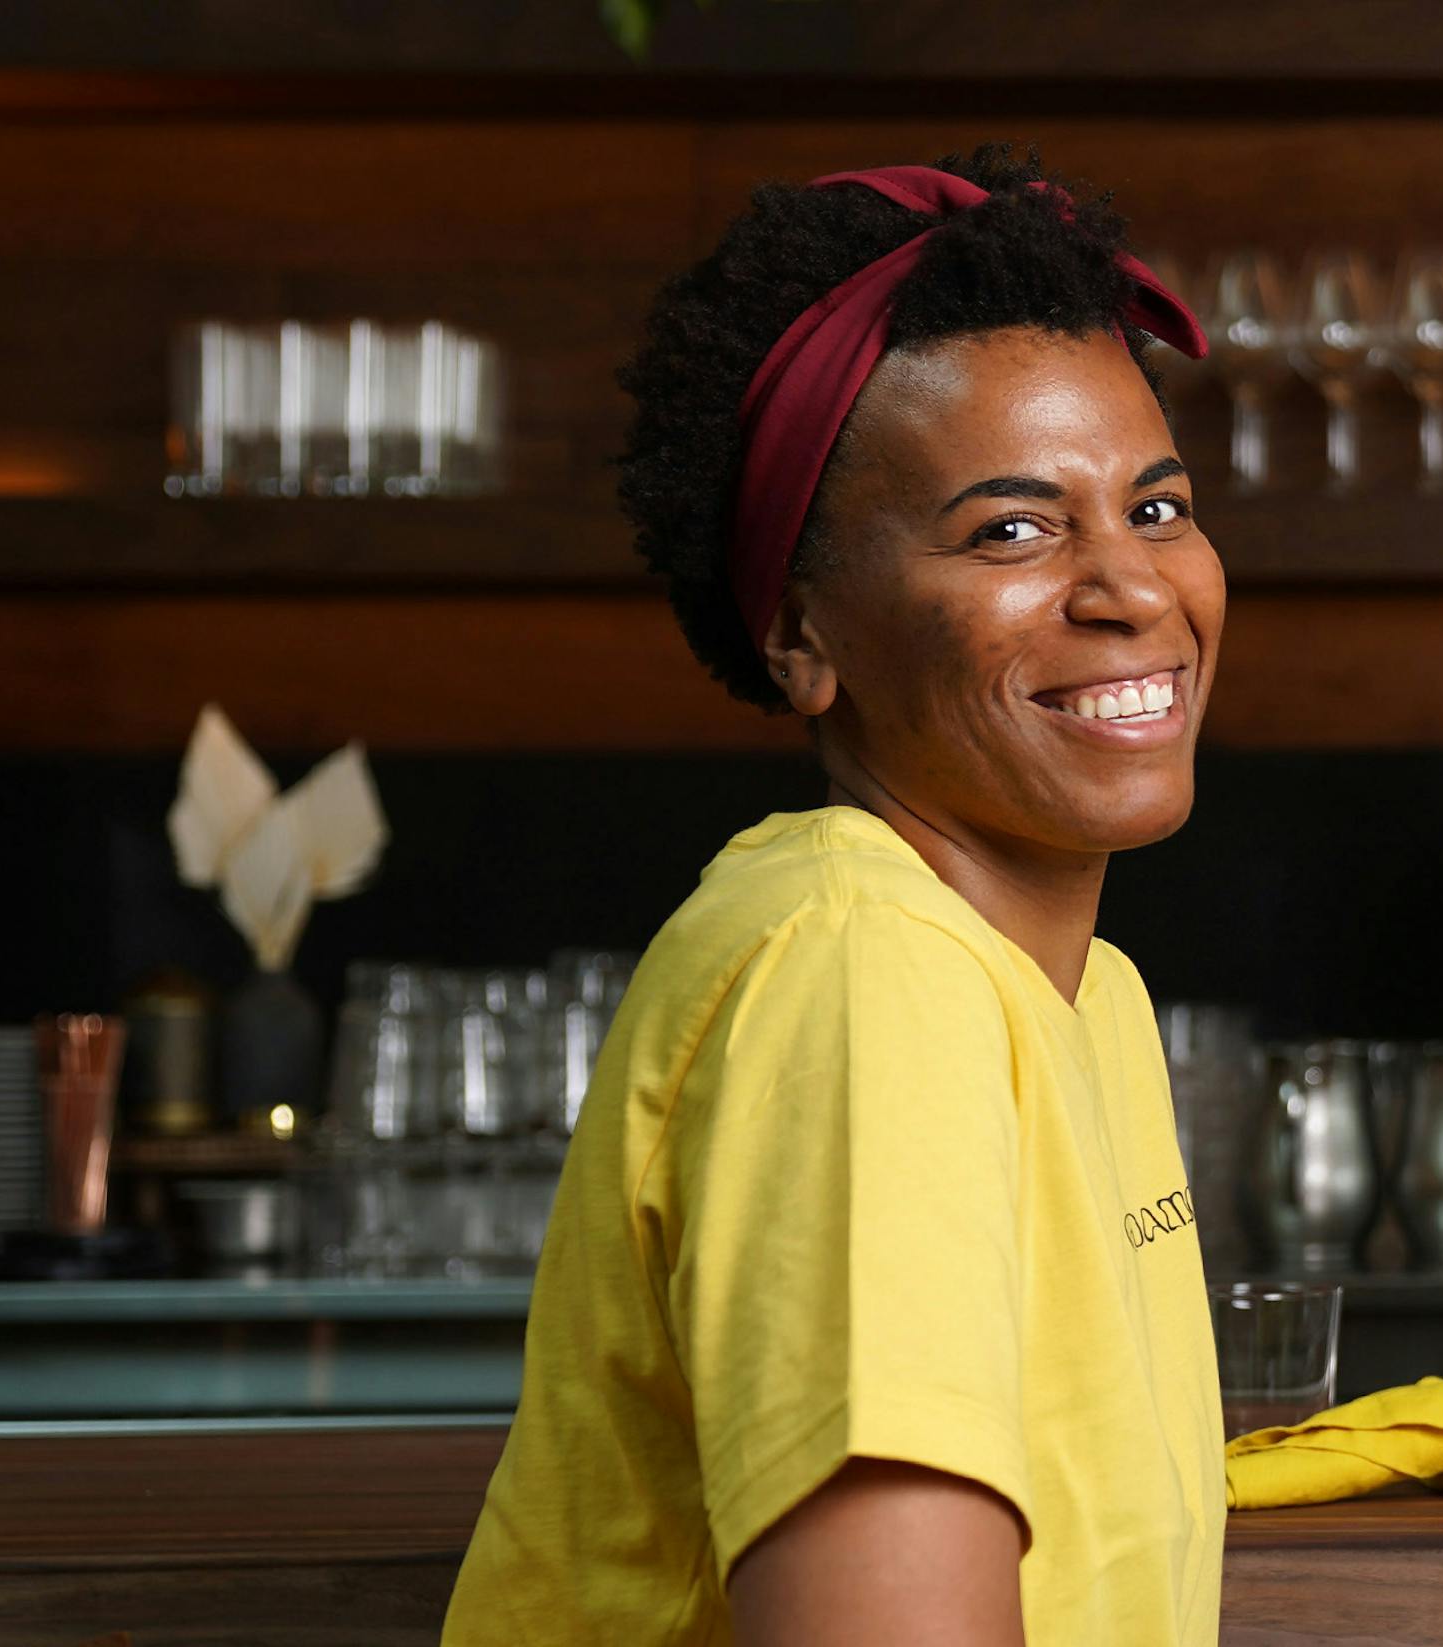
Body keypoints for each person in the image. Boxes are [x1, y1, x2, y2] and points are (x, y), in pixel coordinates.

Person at [442, 143, 1226, 1646]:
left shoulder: (1080, 997)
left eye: (1158, 505)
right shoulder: (865, 975)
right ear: (804, 637)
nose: (1131, 589)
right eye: (1011, 529)